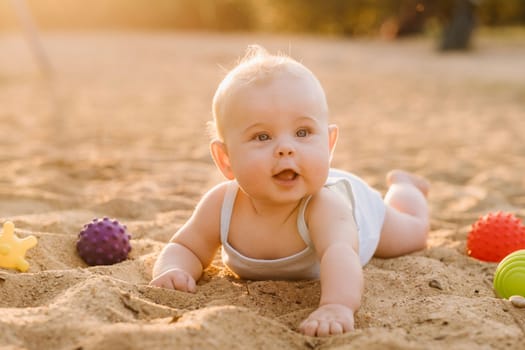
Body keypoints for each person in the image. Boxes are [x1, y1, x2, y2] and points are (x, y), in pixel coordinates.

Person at [150, 45, 430, 337]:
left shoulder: (324, 207)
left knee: (413, 234)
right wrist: (173, 271)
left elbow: (340, 255)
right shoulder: (222, 204)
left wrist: (337, 306)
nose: (286, 148)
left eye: (302, 133)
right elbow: (186, 247)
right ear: (226, 159)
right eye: (262, 136)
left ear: (329, 144)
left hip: (360, 214)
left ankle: (405, 188)